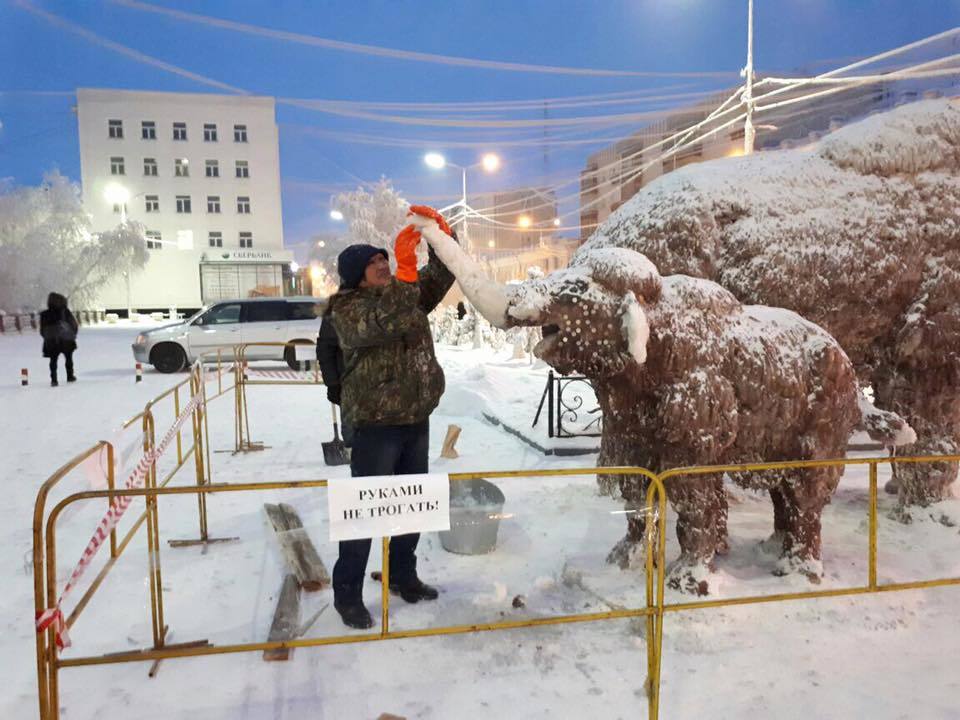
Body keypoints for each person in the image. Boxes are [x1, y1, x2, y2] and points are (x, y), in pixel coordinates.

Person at [327, 205, 456, 629]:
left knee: (412, 508)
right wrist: (405, 271)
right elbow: (387, 320)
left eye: (385, 258)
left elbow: (440, 279)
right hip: (376, 427)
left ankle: (402, 575)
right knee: (363, 512)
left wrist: (442, 239)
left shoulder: (404, 294)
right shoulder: (348, 309)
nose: (383, 265)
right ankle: (347, 593)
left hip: (415, 418)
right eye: (374, 263)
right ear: (355, 276)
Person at [40, 292, 79, 387]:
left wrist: (47, 337)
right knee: (68, 358)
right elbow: (73, 324)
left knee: (53, 360)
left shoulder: (45, 314)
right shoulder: (65, 312)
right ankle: (70, 376)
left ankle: (54, 379)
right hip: (66, 340)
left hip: (51, 341)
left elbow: (42, 330)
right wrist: (72, 334)